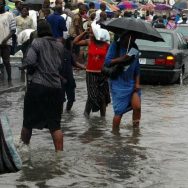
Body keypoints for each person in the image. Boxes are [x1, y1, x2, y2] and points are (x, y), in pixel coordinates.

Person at [20, 20, 65, 152]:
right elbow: (59, 66)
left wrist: (27, 67)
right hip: (56, 88)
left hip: (38, 87)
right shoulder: (59, 45)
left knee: (28, 122)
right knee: (55, 125)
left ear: (38, 32)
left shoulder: (36, 42)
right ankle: (59, 156)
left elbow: (30, 61)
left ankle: (24, 151)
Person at [104, 31, 141, 133]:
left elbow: (137, 68)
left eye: (134, 37)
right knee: (119, 112)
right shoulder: (115, 46)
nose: (133, 39)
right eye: (131, 36)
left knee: (137, 107)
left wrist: (137, 83)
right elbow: (107, 62)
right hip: (118, 83)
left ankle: (135, 133)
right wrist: (122, 59)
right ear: (124, 36)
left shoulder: (134, 48)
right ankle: (115, 134)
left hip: (132, 82)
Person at [73, 21, 111, 117]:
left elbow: (110, 59)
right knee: (92, 95)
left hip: (103, 73)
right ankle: (86, 115)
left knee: (102, 97)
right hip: (90, 73)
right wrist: (85, 32)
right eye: (90, 33)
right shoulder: (89, 42)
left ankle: (102, 119)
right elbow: (75, 42)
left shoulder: (106, 45)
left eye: (91, 32)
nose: (90, 34)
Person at [0, 0, 16, 82]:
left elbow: (13, 30)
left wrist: (5, 39)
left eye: (1, 3)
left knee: (6, 62)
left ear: (4, 5)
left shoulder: (9, 15)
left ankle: (9, 78)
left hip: (6, 43)